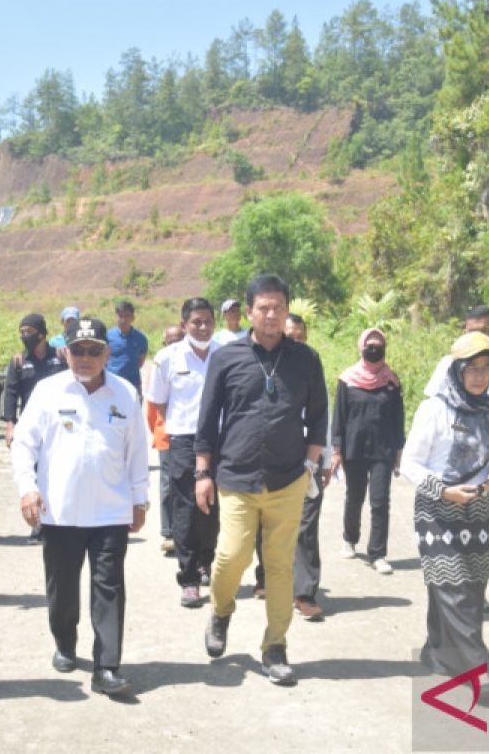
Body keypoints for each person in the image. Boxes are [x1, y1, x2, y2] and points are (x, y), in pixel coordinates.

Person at [195, 274, 328, 687]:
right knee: (230, 557)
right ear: (249, 312)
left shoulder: (306, 359)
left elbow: (320, 416)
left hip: (287, 480)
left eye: (279, 307)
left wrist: (310, 464)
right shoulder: (226, 358)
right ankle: (220, 612)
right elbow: (207, 420)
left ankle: (276, 647)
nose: (272, 315)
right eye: (263, 308)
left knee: (279, 567)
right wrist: (203, 472)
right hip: (235, 477)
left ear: (288, 311)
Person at [12, 317, 150, 697]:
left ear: (106, 353)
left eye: (94, 350)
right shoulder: (47, 392)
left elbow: (137, 451)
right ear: (65, 352)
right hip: (61, 511)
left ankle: (107, 665)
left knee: (109, 587)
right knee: (62, 588)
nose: (85, 357)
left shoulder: (124, 393)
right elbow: (23, 444)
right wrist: (28, 489)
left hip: (110, 511)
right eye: (78, 350)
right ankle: (65, 640)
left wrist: (140, 498)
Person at [402, 331, 489, 680]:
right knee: (454, 587)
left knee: (471, 588)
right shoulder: (434, 409)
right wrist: (444, 491)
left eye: (485, 369)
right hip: (438, 511)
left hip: (480, 513)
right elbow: (410, 464)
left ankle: (438, 653)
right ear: (457, 371)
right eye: (471, 369)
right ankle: (479, 668)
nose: (479, 376)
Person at [251, 314, 334, 620]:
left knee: (306, 527)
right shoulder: (263, 367)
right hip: (272, 460)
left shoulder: (311, 365)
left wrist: (323, 458)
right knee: (266, 522)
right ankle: (265, 578)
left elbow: (322, 415)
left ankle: (305, 593)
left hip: (308, 460)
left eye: (301, 336)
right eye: (291, 336)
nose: (296, 341)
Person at [145, 298, 221, 608]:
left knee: (214, 508)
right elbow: (159, 403)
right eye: (196, 322)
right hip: (184, 441)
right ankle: (189, 578)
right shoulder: (167, 358)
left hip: (220, 441)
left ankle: (206, 562)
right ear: (183, 323)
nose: (202, 327)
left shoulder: (225, 355)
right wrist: (183, 423)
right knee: (186, 508)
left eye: (207, 321)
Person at [332, 327, 405, 575]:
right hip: (354, 449)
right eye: (369, 344)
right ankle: (349, 538)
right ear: (361, 347)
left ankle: (378, 554)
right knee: (355, 498)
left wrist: (399, 450)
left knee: (380, 501)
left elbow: (398, 418)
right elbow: (339, 416)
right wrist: (336, 449)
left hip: (383, 450)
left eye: (378, 344)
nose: (374, 348)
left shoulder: (391, 382)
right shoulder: (348, 379)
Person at [2, 312, 66, 544]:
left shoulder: (60, 357)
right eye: (22, 332)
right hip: (31, 428)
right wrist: (10, 425)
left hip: (59, 425)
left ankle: (59, 520)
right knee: (34, 474)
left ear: (42, 333)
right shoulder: (19, 361)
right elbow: (10, 394)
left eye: (29, 332)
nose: (25, 336)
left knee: (57, 472)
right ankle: (38, 525)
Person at [147, 324, 185, 554]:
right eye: (170, 340)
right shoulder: (160, 365)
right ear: (164, 343)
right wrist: (160, 431)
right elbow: (152, 408)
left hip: (191, 436)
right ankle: (169, 533)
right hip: (166, 435)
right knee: (168, 485)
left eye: (179, 338)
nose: (175, 343)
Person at [107, 299, 149, 395]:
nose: (123, 320)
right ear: (116, 317)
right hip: (112, 384)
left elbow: (140, 362)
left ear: (133, 318)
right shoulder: (107, 336)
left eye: (127, 316)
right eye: (120, 316)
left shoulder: (141, 338)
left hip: (133, 384)